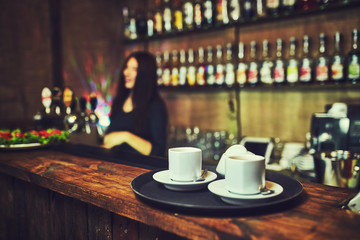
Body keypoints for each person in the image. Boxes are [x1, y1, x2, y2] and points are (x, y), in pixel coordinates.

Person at [102, 51, 168, 156]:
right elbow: (109, 138)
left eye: (134, 69)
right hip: (114, 167)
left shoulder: (155, 106)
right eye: (126, 67)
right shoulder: (119, 101)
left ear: (146, 74)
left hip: (140, 169)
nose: (126, 72)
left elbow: (158, 150)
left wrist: (126, 136)